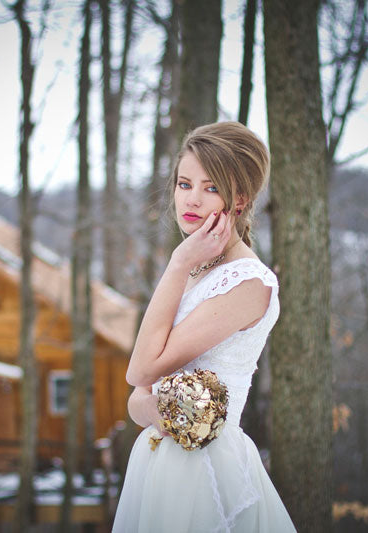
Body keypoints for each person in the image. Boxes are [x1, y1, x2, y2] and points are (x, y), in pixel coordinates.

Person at [112, 122, 296, 532]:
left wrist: (177, 263)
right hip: (161, 460)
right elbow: (139, 395)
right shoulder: (197, 268)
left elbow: (141, 373)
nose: (191, 199)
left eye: (211, 188)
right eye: (183, 183)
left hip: (205, 468)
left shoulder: (247, 282)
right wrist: (152, 407)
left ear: (240, 199)